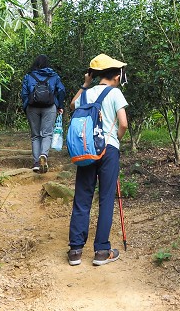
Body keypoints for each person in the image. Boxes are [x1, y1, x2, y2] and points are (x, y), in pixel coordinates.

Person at [67, 53, 129, 267]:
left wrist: (85, 84)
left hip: (86, 149)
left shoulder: (86, 94)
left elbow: (73, 105)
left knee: (82, 198)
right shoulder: (115, 93)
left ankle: (75, 251)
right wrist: (115, 141)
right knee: (105, 199)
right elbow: (123, 124)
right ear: (116, 76)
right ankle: (102, 251)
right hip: (108, 150)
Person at [21, 54, 66, 174]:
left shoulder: (29, 76)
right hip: (49, 107)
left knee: (35, 135)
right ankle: (44, 155)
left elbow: (24, 93)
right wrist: (59, 105)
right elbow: (61, 90)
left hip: (32, 107)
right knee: (47, 134)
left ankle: (36, 163)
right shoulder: (53, 75)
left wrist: (26, 106)